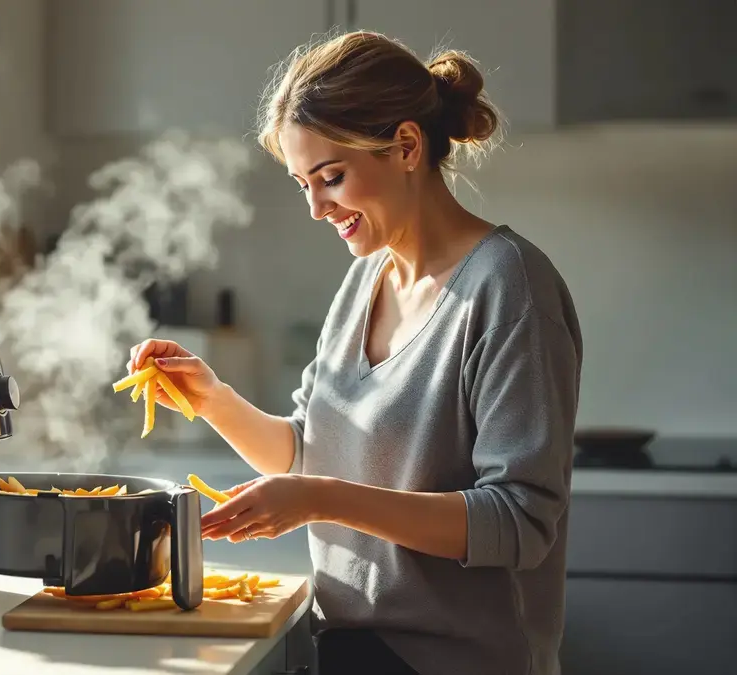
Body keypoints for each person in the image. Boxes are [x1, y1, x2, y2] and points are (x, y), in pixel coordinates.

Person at [126, 31, 582, 675]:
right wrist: (212, 400)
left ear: (406, 146)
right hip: (347, 648)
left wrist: (321, 499)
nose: (317, 208)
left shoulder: (510, 287)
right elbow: (311, 451)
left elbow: (518, 523)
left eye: (331, 178)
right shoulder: (365, 279)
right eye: (302, 184)